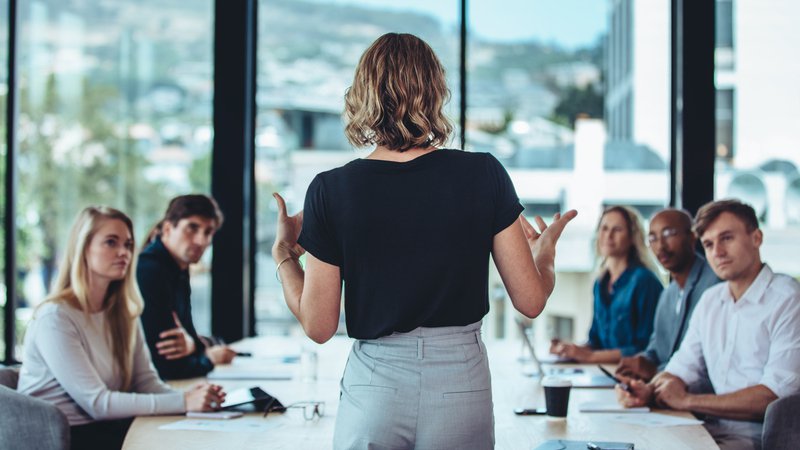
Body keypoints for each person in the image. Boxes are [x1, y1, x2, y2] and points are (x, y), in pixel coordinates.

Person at [271, 33, 576, 450]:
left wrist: (285, 255)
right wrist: (545, 257)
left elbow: (319, 325)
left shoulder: (331, 189)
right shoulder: (483, 174)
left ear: (362, 94)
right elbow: (531, 301)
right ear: (434, 92)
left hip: (375, 385)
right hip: (460, 378)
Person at [17, 206, 224, 450]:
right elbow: (98, 403)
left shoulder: (123, 312)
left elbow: (146, 383)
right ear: (83, 248)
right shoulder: (55, 317)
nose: (123, 252)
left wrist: (193, 397)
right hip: (65, 439)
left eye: (127, 244)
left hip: (107, 429)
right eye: (111, 243)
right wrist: (183, 401)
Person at [617, 199, 800, 450]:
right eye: (709, 244)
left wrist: (687, 400)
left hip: (757, 441)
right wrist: (649, 390)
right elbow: (682, 367)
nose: (717, 252)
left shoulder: (787, 299)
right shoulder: (711, 300)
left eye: (727, 238)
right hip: (704, 431)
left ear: (756, 238)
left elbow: (774, 396)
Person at [138, 194, 236, 380]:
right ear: (167, 228)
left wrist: (195, 345)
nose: (201, 241)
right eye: (192, 228)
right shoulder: (150, 270)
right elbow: (167, 364)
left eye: (208, 232)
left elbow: (188, 336)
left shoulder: (178, 268)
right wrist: (208, 358)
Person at [615, 208, 720, 381]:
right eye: (653, 238)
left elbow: (706, 361)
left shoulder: (715, 285)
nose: (660, 245)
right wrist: (641, 361)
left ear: (692, 237)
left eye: (669, 233)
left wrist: (655, 372)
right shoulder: (667, 294)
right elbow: (655, 349)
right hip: (663, 389)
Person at [550, 206, 663, 363]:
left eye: (617, 230)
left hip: (633, 377)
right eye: (604, 228)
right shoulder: (600, 283)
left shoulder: (645, 281)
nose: (608, 236)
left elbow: (646, 348)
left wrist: (590, 357)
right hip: (603, 372)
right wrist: (571, 350)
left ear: (632, 237)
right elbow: (595, 341)